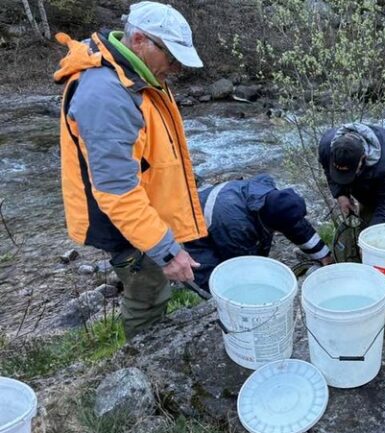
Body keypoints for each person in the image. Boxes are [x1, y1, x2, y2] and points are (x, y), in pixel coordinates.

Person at [54, 1, 207, 339]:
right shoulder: (107, 95)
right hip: (123, 223)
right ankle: (144, 357)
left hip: (145, 213)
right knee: (148, 293)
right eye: (171, 57)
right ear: (139, 40)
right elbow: (117, 193)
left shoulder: (138, 74)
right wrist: (166, 250)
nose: (176, 68)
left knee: (154, 287)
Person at [184, 175, 333, 291]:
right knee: (225, 289)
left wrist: (324, 257)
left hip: (223, 213)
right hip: (192, 237)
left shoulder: (271, 197)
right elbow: (244, 266)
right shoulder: (238, 226)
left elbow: (297, 227)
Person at [318, 123, 385, 226]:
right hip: (368, 174)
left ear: (363, 158)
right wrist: (341, 194)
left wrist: (372, 232)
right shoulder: (327, 147)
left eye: (349, 172)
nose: (344, 177)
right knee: (367, 216)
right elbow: (328, 171)